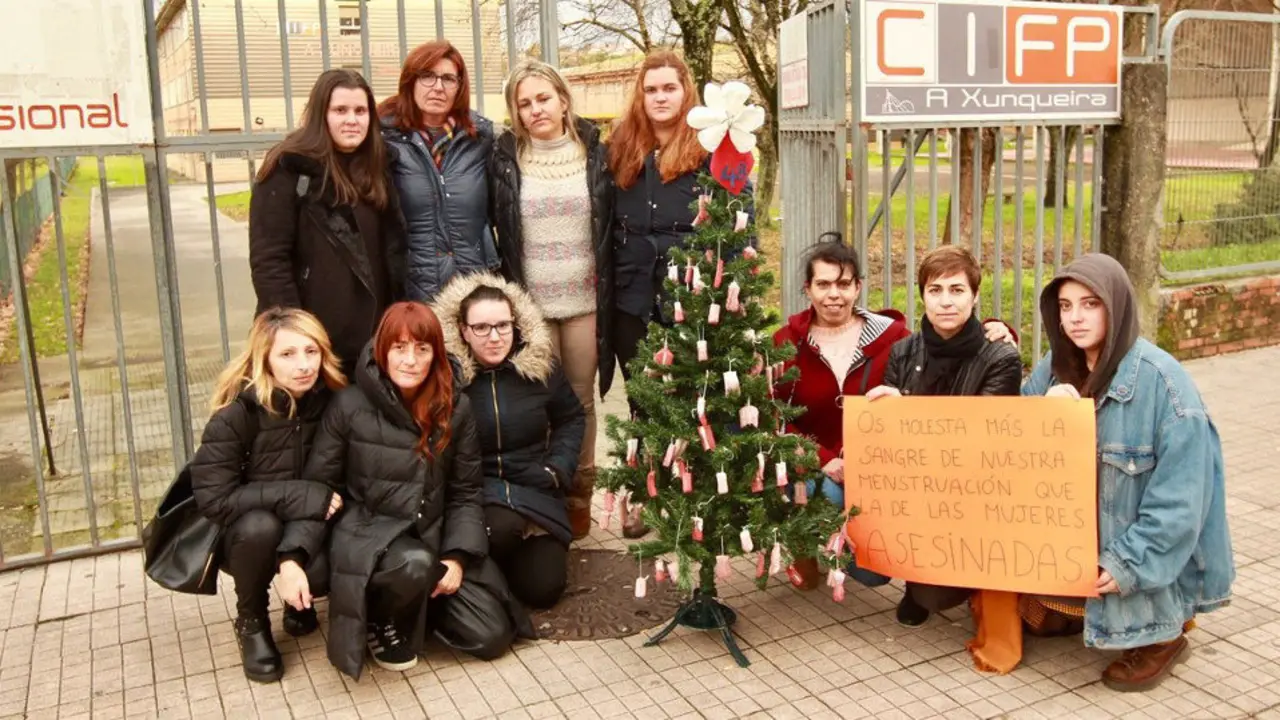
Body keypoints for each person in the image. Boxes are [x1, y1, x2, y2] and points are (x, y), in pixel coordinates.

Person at [1022, 253, 1233, 692]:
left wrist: (1126, 565)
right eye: (1065, 306)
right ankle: (1077, 603)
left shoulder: (1166, 387)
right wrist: (1042, 417)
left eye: (1090, 304)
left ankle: (1166, 635)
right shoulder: (1054, 366)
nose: (1075, 319)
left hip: (1139, 548)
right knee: (1034, 621)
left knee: (1134, 600)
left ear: (1116, 306)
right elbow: (1009, 448)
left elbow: (1180, 505)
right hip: (1079, 535)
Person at [305, 301, 532, 679]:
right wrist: (293, 558)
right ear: (383, 350)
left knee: (492, 635)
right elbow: (319, 485)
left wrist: (457, 557)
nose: (410, 360)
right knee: (413, 563)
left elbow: (464, 490)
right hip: (370, 536)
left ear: (435, 353)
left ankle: (417, 610)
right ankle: (381, 615)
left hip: (432, 535)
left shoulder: (454, 407)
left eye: (422, 349)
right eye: (399, 348)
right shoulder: (349, 404)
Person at [775, 239, 1013, 588]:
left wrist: (997, 329)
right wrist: (822, 458)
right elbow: (773, 413)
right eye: (823, 284)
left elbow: (944, 336)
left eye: (843, 284)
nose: (834, 294)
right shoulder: (786, 344)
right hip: (812, 464)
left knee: (873, 573)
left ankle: (844, 543)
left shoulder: (890, 338)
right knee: (804, 485)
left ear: (858, 287)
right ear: (807, 289)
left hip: (873, 475)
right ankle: (802, 548)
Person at [607, 50, 754, 537]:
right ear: (640, 95)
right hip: (633, 293)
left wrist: (731, 289)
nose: (660, 97)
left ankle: (693, 494)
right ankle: (643, 493)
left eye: (669, 88)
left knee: (695, 397)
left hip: (690, 293)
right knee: (643, 400)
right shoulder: (623, 148)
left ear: (685, 90)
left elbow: (738, 223)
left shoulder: (713, 149)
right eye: (651, 89)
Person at [866, 246, 1023, 634]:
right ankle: (916, 583)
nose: (946, 301)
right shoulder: (902, 352)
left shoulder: (1000, 356)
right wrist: (886, 412)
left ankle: (978, 584)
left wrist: (909, 409)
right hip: (918, 481)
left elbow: (982, 433)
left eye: (957, 290)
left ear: (974, 296)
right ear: (922, 296)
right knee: (927, 592)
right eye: (935, 290)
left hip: (977, 481)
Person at [489, 59, 612, 539]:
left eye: (543, 98)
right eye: (524, 103)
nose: (535, 109)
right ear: (515, 113)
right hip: (530, 308)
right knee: (536, 406)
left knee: (580, 403)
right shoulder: (505, 158)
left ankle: (580, 494)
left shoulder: (596, 153)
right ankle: (542, 499)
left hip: (583, 303)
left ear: (563, 100)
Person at [190, 308, 347, 683]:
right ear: (265, 359)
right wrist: (297, 495)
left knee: (323, 570)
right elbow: (214, 499)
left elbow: (335, 484)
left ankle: (299, 601)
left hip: (309, 525)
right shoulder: (236, 414)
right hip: (246, 533)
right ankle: (252, 621)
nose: (304, 365)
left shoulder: (332, 403)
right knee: (260, 526)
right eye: (288, 354)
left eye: (312, 351)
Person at [432, 274, 585, 608]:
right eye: (482, 328)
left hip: (536, 487)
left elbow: (571, 417)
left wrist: (557, 467)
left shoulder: (539, 366)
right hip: (477, 493)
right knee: (500, 528)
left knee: (543, 590)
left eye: (503, 325)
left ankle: (496, 569)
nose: (495, 337)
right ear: (463, 330)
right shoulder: (446, 377)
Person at [250, 69, 406, 378]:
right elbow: (270, 260)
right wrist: (296, 335)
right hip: (313, 342)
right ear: (322, 114)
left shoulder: (378, 167)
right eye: (340, 110)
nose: (352, 120)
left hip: (372, 340)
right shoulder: (288, 169)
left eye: (360, 111)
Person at [379, 41, 497, 303]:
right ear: (411, 82)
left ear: (460, 86)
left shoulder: (481, 139)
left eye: (448, 78)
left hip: (474, 288)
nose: (438, 87)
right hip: (414, 290)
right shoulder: (385, 142)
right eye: (427, 77)